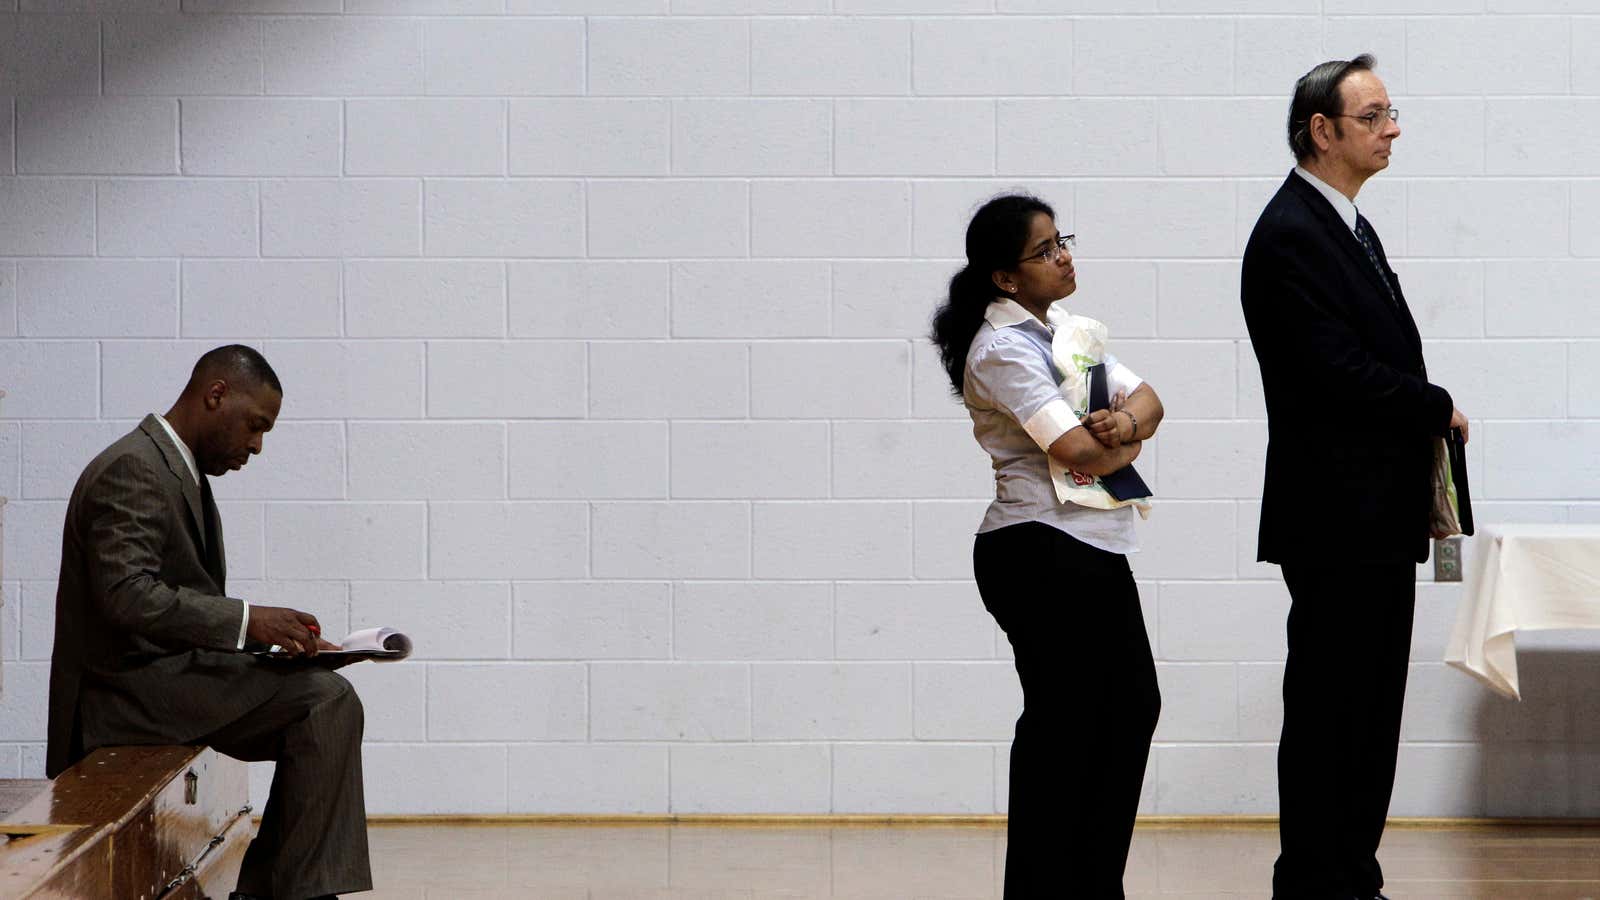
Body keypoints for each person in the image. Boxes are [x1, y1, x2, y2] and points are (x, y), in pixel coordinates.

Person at [1241, 56, 1469, 900]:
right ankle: (1315, 878)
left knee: (1369, 710)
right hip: (1336, 516)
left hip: (1371, 515)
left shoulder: (1341, 223)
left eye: (1390, 112)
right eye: (1372, 116)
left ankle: (1349, 873)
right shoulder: (1292, 232)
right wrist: (1433, 401)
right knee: (1336, 709)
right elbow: (1333, 370)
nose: (1392, 129)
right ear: (1322, 131)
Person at [44, 345, 372, 900]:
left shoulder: (178, 471)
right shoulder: (134, 469)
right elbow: (126, 597)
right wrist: (249, 622)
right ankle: (286, 892)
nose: (257, 445)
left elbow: (173, 606)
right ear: (216, 394)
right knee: (325, 702)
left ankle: (282, 890)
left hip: (163, 683)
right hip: (123, 697)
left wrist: (264, 646)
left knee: (324, 698)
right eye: (255, 425)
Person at [931, 194, 1164, 897]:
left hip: (1090, 543)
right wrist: (1124, 433)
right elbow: (1069, 447)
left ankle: (1092, 883)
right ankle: (1042, 888)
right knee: (1067, 722)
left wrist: (1123, 425)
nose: (1063, 255)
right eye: (1043, 250)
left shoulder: (1065, 330)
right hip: (1036, 547)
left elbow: (1150, 398)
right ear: (1006, 278)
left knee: (1128, 708)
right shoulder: (1000, 347)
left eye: (1061, 240)